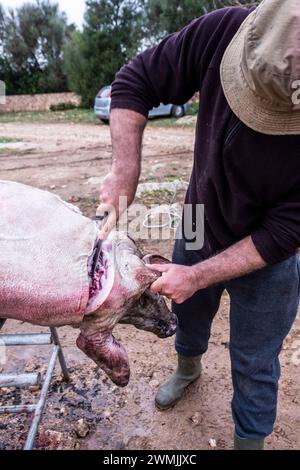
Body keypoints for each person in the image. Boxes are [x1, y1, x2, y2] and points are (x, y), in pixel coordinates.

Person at [98, 0, 300, 450]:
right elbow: (137, 79)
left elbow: (283, 233)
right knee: (187, 314)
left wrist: (198, 275)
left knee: (256, 359)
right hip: (196, 217)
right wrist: (124, 169)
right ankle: (187, 369)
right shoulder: (229, 28)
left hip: (266, 250)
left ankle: (249, 441)